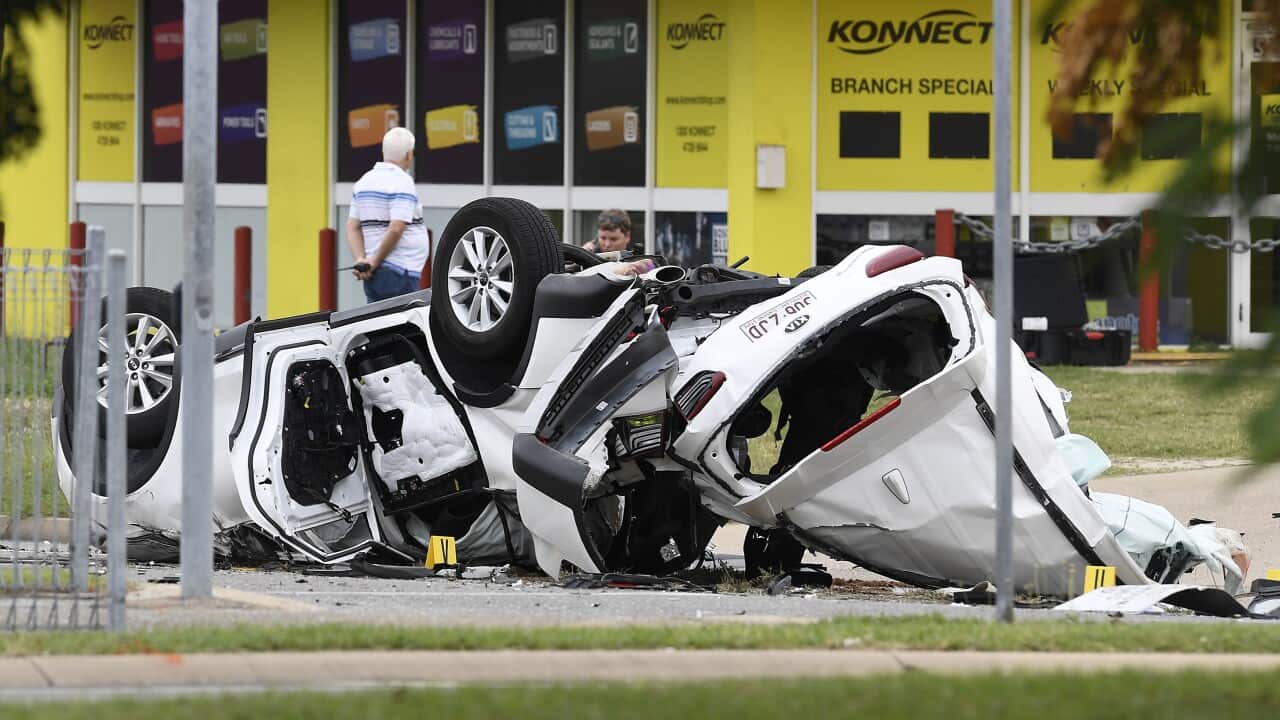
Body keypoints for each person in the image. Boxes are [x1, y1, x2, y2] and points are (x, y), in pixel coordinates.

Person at [345, 127, 430, 302]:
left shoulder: (363, 182)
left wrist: (362, 260)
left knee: (378, 326)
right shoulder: (402, 182)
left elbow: (352, 227)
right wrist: (374, 261)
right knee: (404, 327)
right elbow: (396, 228)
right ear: (408, 155)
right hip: (401, 271)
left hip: (373, 274)